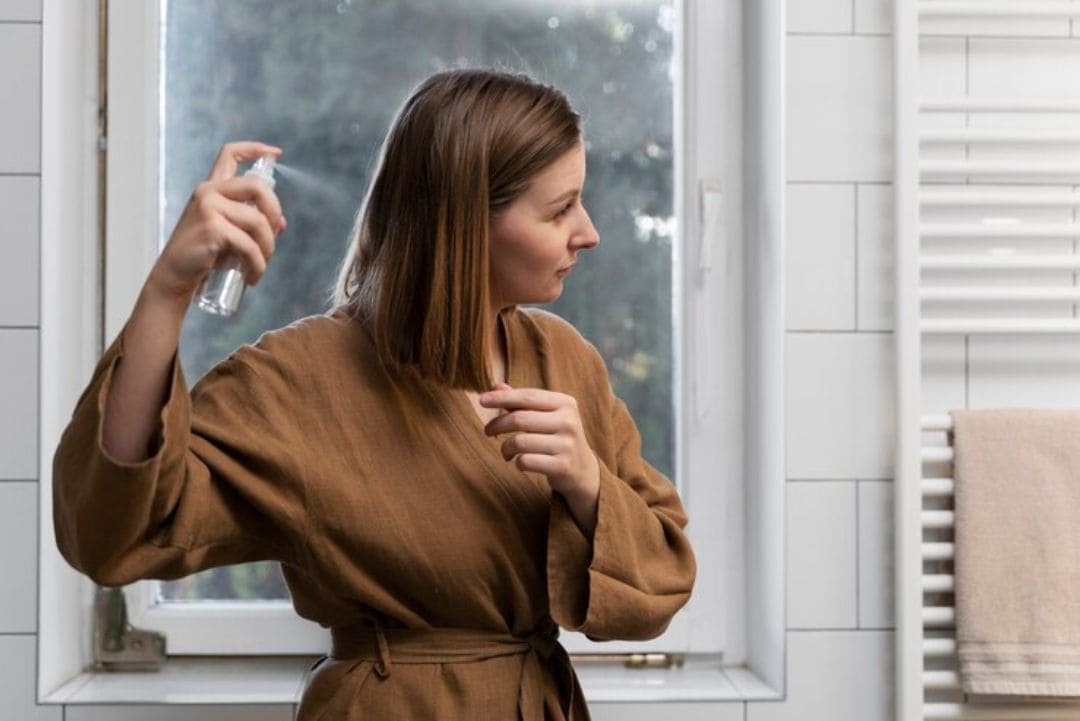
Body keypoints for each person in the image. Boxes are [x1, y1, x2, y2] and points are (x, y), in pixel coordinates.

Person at [52, 69, 697, 721]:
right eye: (560, 209)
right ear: (466, 222)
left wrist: (587, 481)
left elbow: (662, 581)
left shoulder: (565, 361)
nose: (587, 233)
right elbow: (112, 533)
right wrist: (167, 290)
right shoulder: (304, 379)